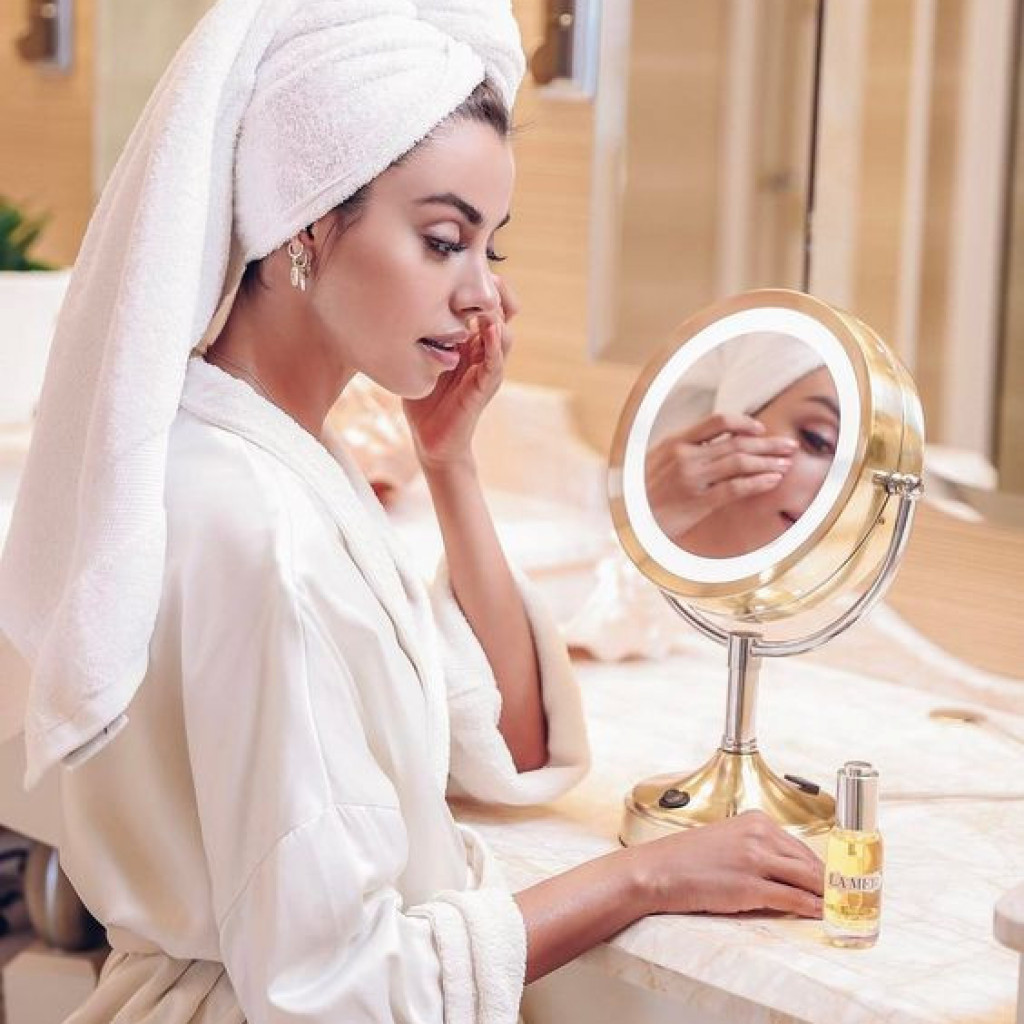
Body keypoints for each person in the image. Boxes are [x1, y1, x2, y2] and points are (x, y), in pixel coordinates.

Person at [0, 3, 824, 1022]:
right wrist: (644, 878)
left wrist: (451, 463)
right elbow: (336, 984)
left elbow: (504, 743)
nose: (481, 296)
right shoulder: (259, 528)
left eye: (490, 249)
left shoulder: (279, 456)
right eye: (442, 241)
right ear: (307, 224)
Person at [646, 334, 840, 557]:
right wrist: (645, 521)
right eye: (818, 439)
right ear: (735, 414)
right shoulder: (616, 525)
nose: (835, 493)